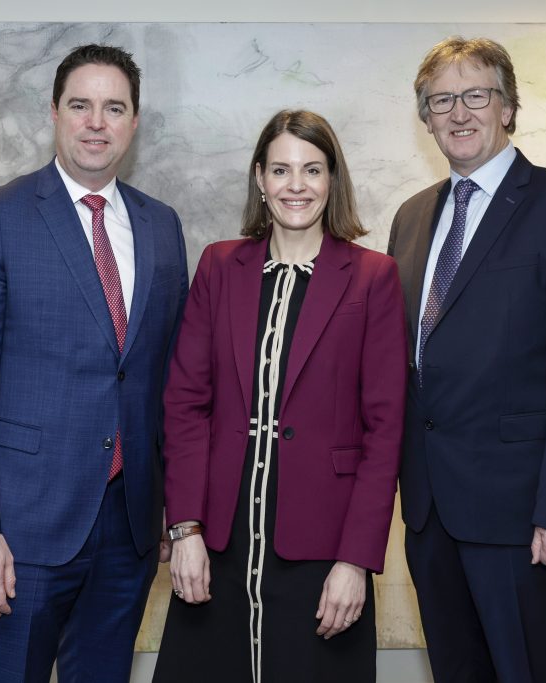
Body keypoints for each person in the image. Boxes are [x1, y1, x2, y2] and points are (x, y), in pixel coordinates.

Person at [0, 44, 188, 682]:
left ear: (134, 122)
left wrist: (169, 510)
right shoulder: (0, 216)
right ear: (54, 113)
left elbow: (164, 381)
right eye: (81, 105)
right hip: (23, 527)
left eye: (114, 108)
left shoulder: (162, 228)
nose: (96, 122)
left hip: (128, 522)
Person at [388, 37, 546, 682]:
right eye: (441, 100)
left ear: (509, 106)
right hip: (432, 514)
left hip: (525, 521)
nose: (459, 113)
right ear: (426, 117)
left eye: (476, 95)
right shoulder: (411, 219)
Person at [154, 110, 407, 682]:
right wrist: (185, 528)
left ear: (332, 180)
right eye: (281, 170)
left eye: (312, 169)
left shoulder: (372, 278)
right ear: (260, 180)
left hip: (323, 549)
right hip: (217, 544)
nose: (297, 185)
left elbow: (385, 431)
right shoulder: (220, 266)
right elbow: (185, 405)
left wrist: (356, 560)